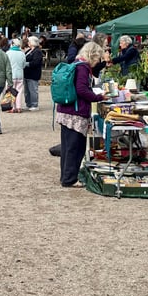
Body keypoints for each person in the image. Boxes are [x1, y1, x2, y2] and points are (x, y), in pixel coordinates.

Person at [57, 41, 106, 187]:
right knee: (75, 147)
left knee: (67, 146)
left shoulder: (76, 63)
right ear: (92, 55)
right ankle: (69, 179)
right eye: (97, 59)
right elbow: (82, 90)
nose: (97, 62)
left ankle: (66, 176)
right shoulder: (83, 68)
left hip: (66, 110)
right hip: (76, 113)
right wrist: (99, 97)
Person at [6, 38, 27, 113]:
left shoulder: (8, 53)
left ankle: (12, 107)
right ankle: (19, 107)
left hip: (11, 75)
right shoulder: (22, 53)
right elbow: (24, 65)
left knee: (10, 91)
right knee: (19, 91)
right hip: (20, 75)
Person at [23, 36, 43, 111]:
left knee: (33, 90)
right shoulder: (29, 51)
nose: (28, 43)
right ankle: (28, 104)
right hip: (27, 73)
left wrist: (26, 64)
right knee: (27, 91)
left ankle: (34, 104)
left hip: (33, 73)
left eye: (29, 41)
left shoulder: (37, 51)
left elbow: (36, 62)